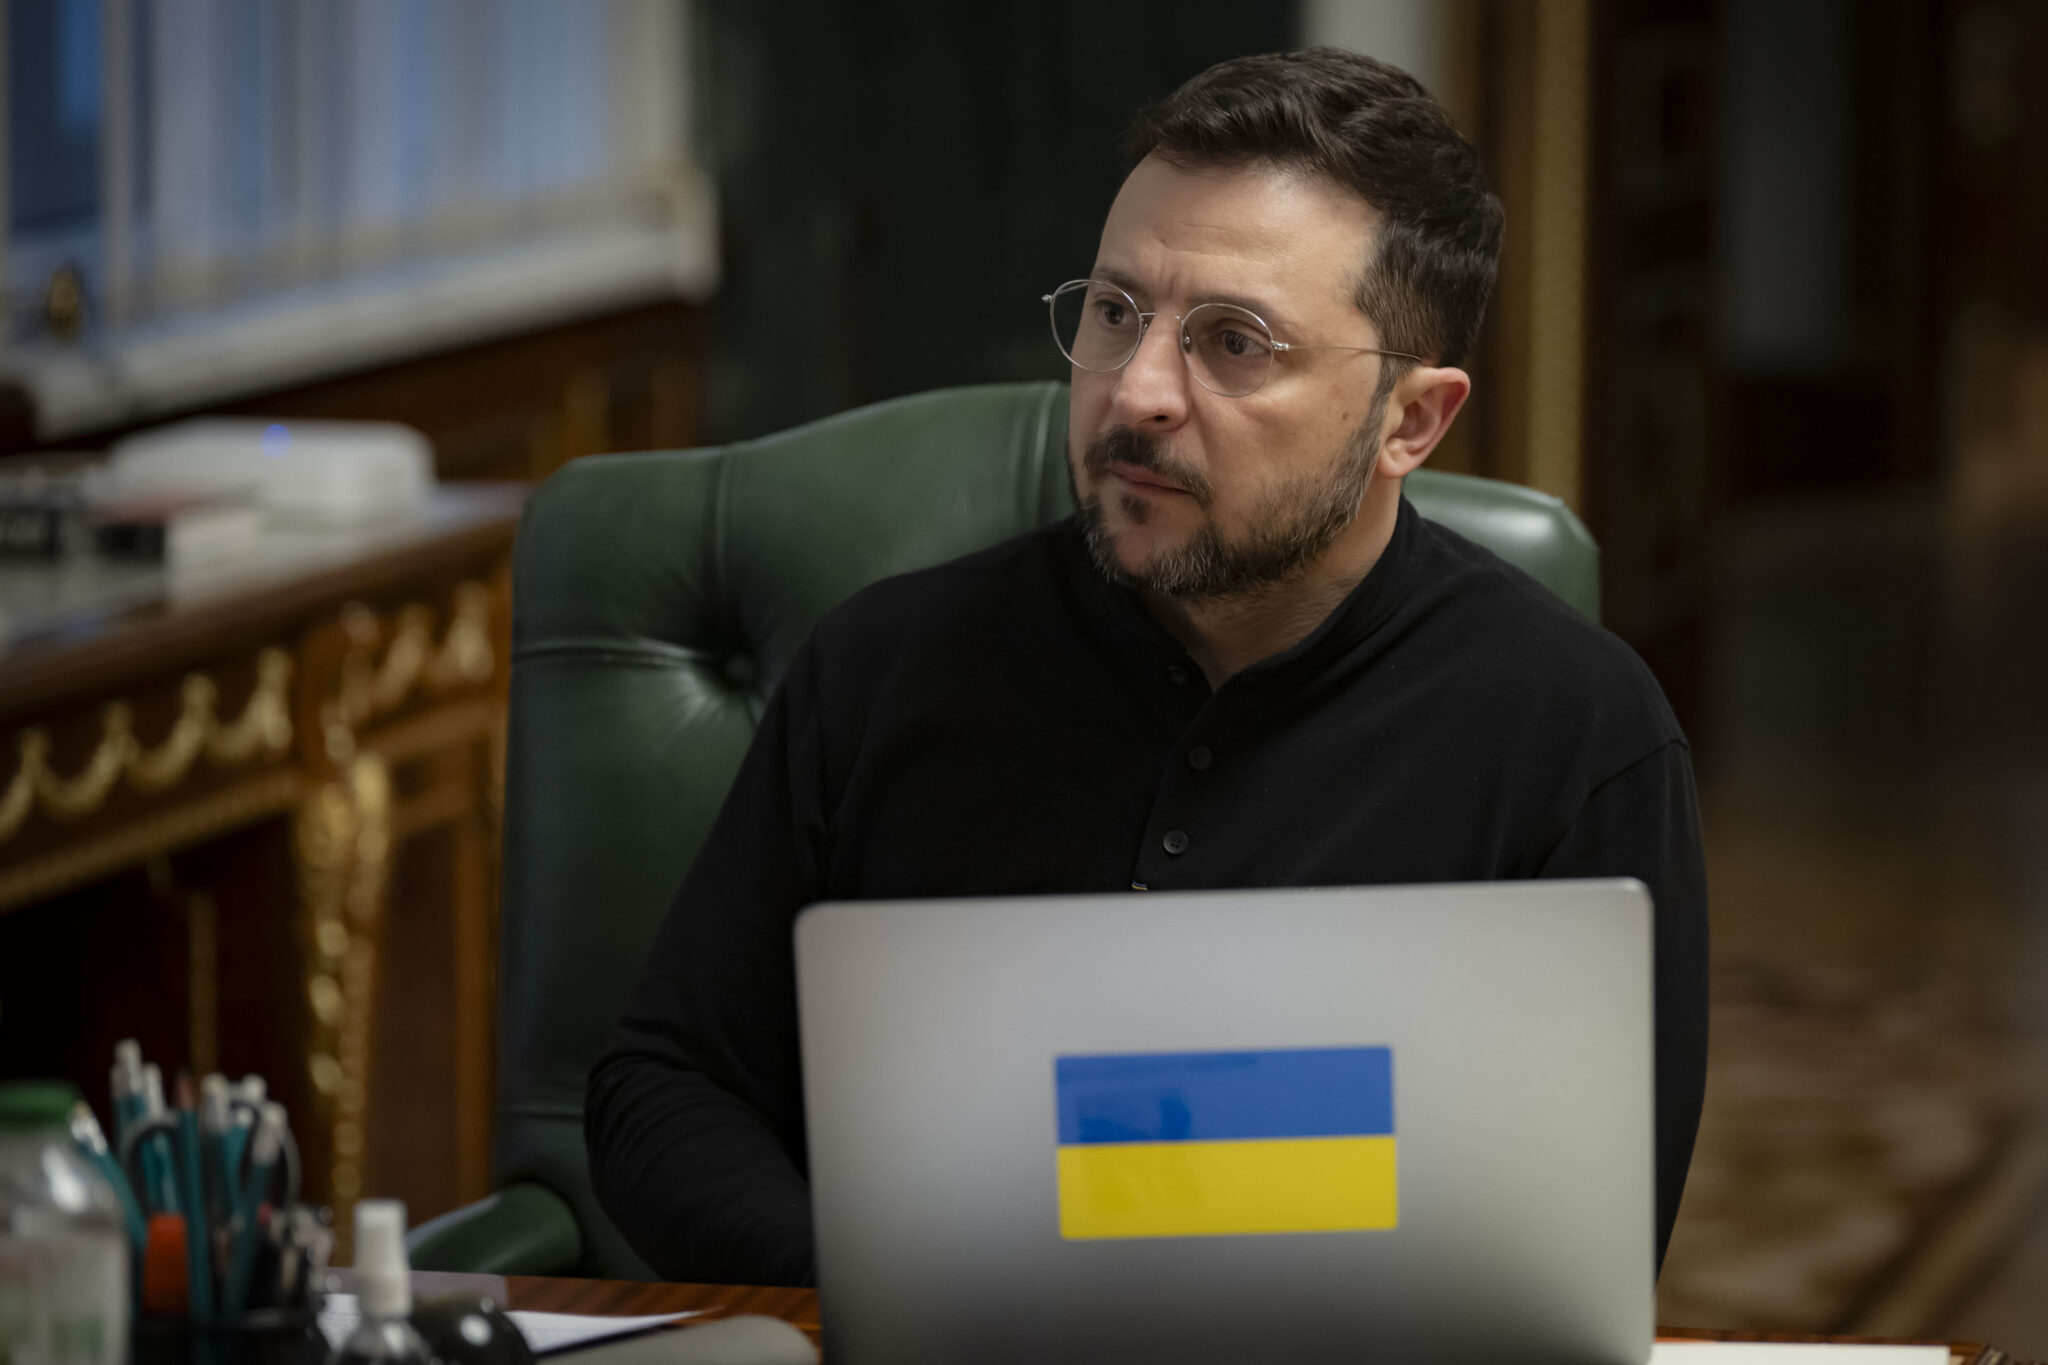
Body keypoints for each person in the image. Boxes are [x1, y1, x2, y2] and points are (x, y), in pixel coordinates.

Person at [586, 47, 1708, 1287]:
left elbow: (1584, 1234)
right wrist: (891, 1295)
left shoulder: (1576, 733)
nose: (1137, 392)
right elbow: (664, 1090)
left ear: (1409, 420)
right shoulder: (882, 667)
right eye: (1115, 312)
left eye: (1234, 342)